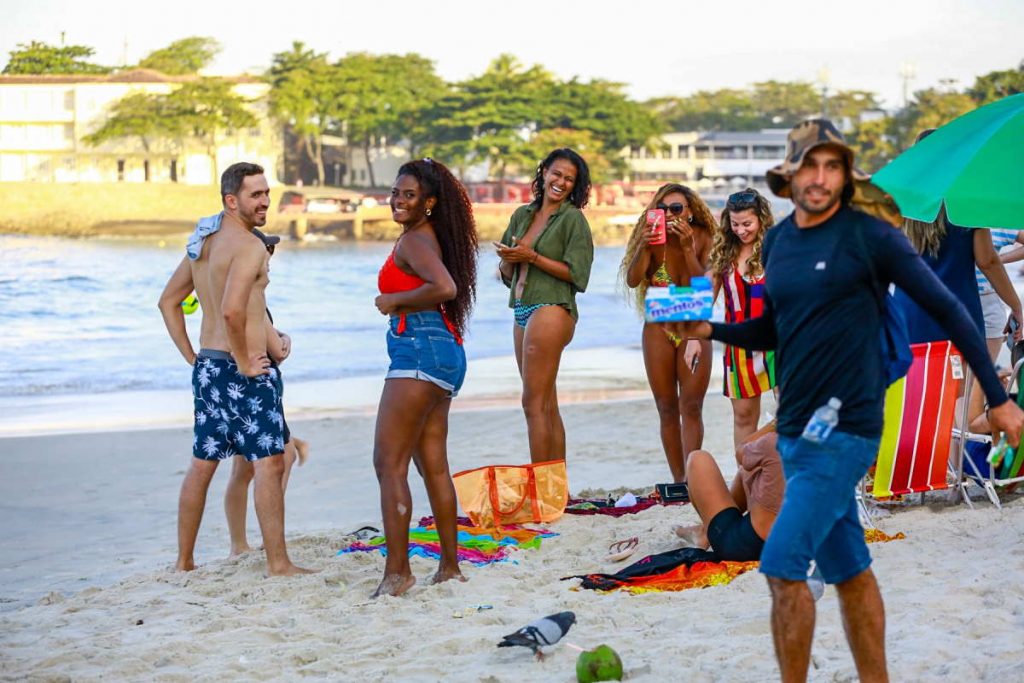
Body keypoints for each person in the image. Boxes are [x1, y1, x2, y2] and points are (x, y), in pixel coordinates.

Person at [671, 119, 1024, 683]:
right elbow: (770, 329)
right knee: (849, 568)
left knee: (785, 563)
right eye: (805, 164)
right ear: (788, 175)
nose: (817, 176)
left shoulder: (871, 235)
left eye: (828, 164)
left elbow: (951, 309)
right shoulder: (782, 241)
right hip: (797, 424)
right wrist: (709, 332)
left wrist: (1000, 396)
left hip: (848, 424)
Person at [157, 162, 311, 576]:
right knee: (270, 462)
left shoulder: (201, 244)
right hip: (243, 372)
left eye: (266, 193)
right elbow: (231, 311)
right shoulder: (249, 247)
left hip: (210, 366)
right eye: (255, 195)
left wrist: (193, 357)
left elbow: (168, 302)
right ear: (231, 200)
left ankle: (184, 562)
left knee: (203, 462)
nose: (264, 202)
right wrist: (246, 361)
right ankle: (278, 563)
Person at [372, 158, 478, 597]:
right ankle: (449, 567)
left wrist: (392, 299)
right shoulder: (428, 236)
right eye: (396, 193)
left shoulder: (416, 241)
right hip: (443, 351)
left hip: (419, 348)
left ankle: (398, 574)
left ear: (429, 203)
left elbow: (445, 288)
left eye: (408, 195)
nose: (398, 200)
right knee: (432, 465)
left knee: (388, 463)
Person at [495, 148, 594, 463]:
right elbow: (507, 275)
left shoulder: (572, 219)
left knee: (532, 404)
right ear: (544, 172)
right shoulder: (522, 215)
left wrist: (533, 257)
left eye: (569, 179)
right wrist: (509, 260)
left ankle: (539, 489)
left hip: (553, 308)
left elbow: (578, 275)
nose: (561, 182)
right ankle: (555, 488)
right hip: (522, 308)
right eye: (557, 174)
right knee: (546, 404)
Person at [222, 228, 310, 557]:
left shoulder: (233, 288)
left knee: (243, 468)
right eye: (268, 250)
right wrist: (284, 339)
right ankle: (258, 539)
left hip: (238, 383)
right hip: (258, 386)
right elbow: (279, 349)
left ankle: (239, 543)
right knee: (275, 461)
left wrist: (279, 335)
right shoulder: (251, 294)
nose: (271, 258)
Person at [893, 130, 1022, 351]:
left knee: (915, 384)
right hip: (957, 311)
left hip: (908, 308)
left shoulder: (900, 202)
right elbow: (987, 261)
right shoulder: (967, 202)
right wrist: (1016, 306)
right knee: (954, 384)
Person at [621, 183, 716, 482]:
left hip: (694, 326)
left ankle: (693, 478)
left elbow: (704, 285)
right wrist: (643, 247)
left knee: (691, 405)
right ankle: (679, 481)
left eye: (676, 209)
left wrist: (688, 248)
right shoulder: (651, 241)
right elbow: (633, 280)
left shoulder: (704, 237)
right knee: (665, 406)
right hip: (658, 327)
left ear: (690, 212)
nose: (669, 215)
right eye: (661, 209)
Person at [708, 188, 778, 450]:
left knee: (792, 413)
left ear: (761, 219)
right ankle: (747, 478)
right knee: (744, 417)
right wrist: (692, 337)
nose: (740, 230)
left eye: (747, 223)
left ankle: (788, 476)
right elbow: (704, 297)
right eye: (735, 224)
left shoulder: (776, 247)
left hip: (779, 342)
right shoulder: (724, 253)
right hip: (739, 348)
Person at [673, 421, 781, 562]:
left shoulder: (773, 442)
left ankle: (705, 532)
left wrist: (775, 423)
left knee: (697, 458)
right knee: (754, 469)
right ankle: (705, 530)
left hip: (748, 549)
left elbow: (741, 450)